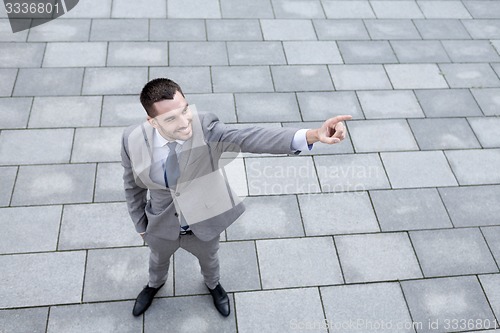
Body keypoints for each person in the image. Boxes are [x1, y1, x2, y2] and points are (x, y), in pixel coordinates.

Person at [121, 78, 352, 317]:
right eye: (171, 118)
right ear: (152, 121)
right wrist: (140, 224)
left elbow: (250, 136)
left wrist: (313, 135)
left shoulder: (206, 128)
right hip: (160, 225)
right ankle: (154, 285)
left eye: (185, 110)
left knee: (210, 261)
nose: (184, 123)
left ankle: (213, 286)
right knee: (157, 261)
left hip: (203, 222)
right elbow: (131, 185)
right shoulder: (131, 138)